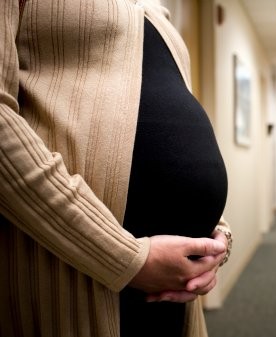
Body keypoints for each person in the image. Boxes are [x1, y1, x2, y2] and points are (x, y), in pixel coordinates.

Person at [0, 1, 231, 337]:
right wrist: (127, 259)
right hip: (73, 270)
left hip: (174, 291)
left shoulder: (156, 8)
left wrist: (216, 240)